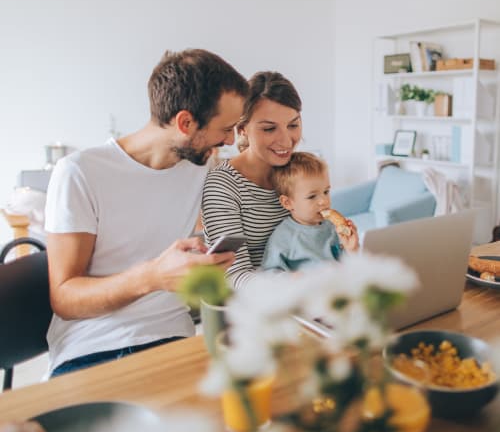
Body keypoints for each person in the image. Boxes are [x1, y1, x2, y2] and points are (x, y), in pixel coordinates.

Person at [44, 49, 248, 376]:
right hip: (93, 348)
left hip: (174, 341)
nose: (230, 139)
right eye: (225, 128)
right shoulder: (80, 172)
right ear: (185, 122)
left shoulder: (202, 167)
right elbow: (65, 298)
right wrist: (152, 276)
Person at [202, 71, 302, 289]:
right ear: (242, 129)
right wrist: (298, 282)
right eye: (269, 128)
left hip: (306, 299)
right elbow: (234, 275)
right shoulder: (222, 185)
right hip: (252, 308)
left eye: (293, 125)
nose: (286, 140)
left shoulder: (300, 172)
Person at [261, 152, 359, 272]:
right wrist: (294, 279)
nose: (323, 201)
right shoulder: (283, 236)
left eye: (326, 192)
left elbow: (349, 267)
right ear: (288, 203)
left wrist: (351, 249)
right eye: (312, 196)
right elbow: (269, 274)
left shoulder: (332, 227)